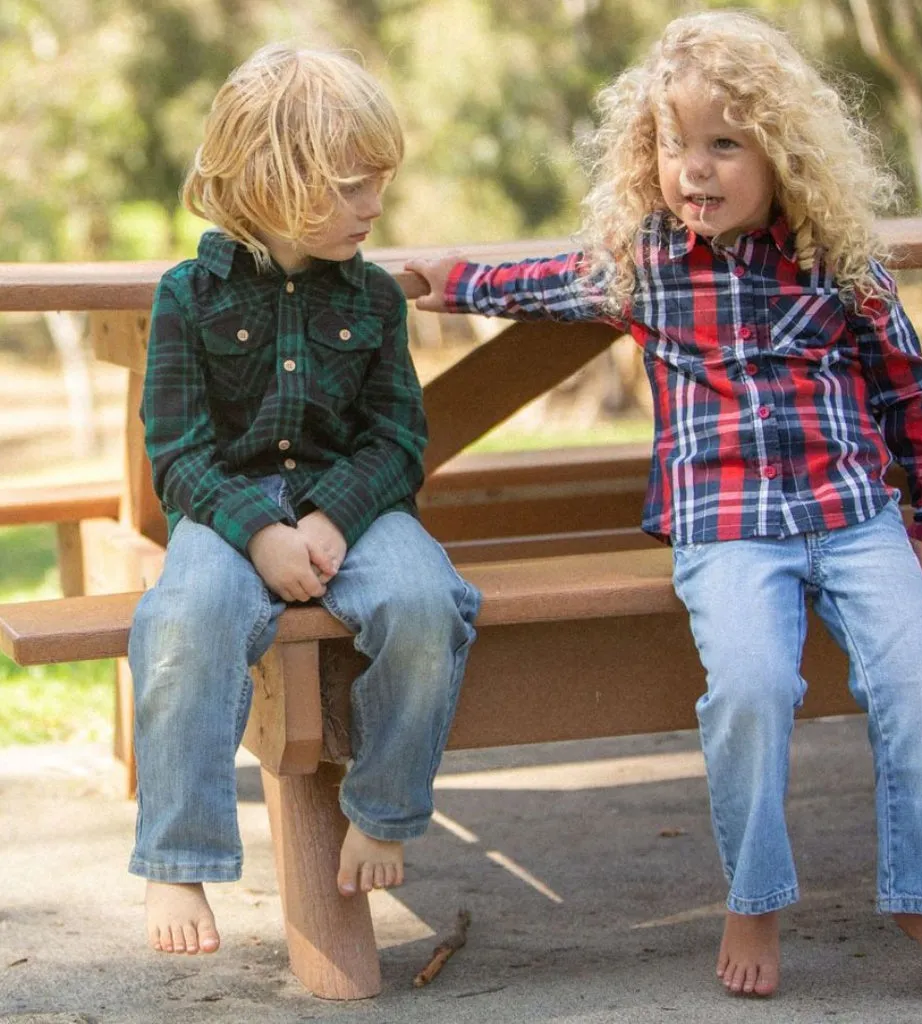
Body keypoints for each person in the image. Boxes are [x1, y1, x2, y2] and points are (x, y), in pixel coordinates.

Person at [406, 9, 922, 1007]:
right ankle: (752, 893)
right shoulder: (648, 264)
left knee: (921, 679)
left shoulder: (840, 263)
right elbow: (542, 280)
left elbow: (910, 389)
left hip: (853, 514)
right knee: (752, 687)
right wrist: (445, 279)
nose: (697, 168)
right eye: (676, 145)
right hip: (724, 526)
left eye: (723, 144)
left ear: (781, 153)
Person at [129, 43, 480, 958]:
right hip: (227, 512)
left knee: (424, 601)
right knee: (185, 615)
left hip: (353, 507)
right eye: (350, 187)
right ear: (269, 184)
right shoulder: (186, 297)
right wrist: (260, 537)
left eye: (378, 185)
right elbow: (177, 453)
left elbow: (399, 437)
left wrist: (327, 520)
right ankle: (180, 860)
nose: (373, 207)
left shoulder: (371, 298)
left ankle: (385, 808)